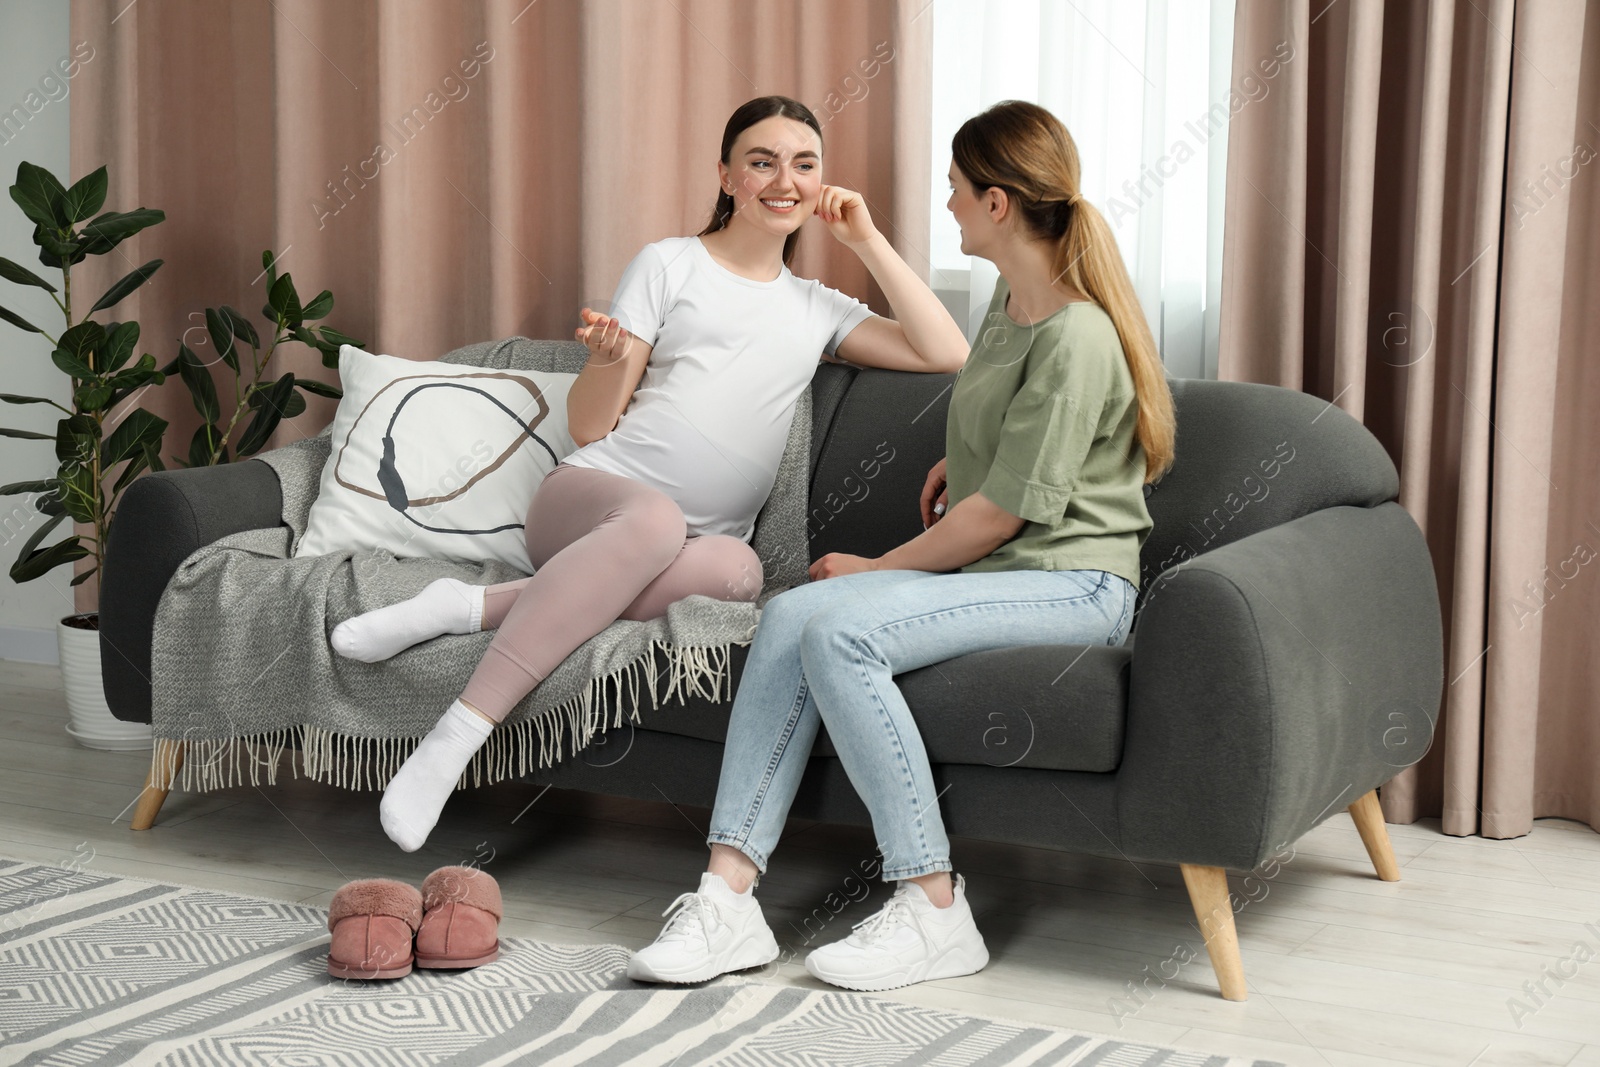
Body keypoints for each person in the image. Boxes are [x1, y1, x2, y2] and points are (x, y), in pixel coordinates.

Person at [627, 99, 1177, 992]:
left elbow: (1002, 516)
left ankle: (933, 907)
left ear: (998, 203)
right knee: (790, 613)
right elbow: (1010, 449)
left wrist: (875, 569)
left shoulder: (1079, 333)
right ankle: (727, 900)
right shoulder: (1012, 304)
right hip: (1012, 564)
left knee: (839, 628)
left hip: (1075, 582)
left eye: (958, 191)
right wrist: (960, 459)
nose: (949, 204)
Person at [328, 95, 970, 853]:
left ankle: (465, 606)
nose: (783, 180)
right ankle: (456, 737)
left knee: (739, 572)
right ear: (726, 174)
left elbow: (946, 350)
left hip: (696, 547)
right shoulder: (669, 263)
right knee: (655, 520)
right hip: (587, 504)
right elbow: (592, 426)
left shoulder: (816, 307)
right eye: (761, 161)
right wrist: (604, 363)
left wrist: (865, 238)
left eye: (804, 164)